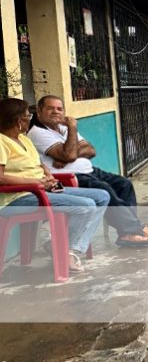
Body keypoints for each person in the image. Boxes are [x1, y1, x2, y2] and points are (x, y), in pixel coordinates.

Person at [27, 95, 148, 246]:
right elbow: (70, 153)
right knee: (105, 189)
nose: (56, 112)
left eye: (59, 109)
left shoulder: (62, 128)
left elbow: (91, 150)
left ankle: (127, 233)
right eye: (50, 108)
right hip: (67, 177)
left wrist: (67, 155)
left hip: (90, 171)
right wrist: (72, 132)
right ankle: (133, 230)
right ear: (39, 112)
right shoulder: (37, 132)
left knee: (124, 184)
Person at [0, 98, 110, 273]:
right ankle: (66, 253)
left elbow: (38, 164)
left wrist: (48, 176)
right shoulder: (1, 142)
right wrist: (35, 182)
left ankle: (68, 248)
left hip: (40, 190)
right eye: (28, 116)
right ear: (18, 121)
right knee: (86, 206)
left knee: (102, 196)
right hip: (18, 198)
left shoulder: (23, 139)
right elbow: (1, 178)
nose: (31, 118)